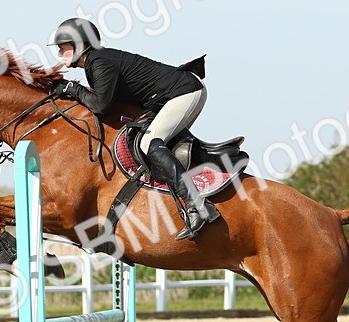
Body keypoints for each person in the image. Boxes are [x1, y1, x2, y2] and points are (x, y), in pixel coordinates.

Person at [47, 17, 220, 241]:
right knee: (150, 141)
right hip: (171, 96)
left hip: (185, 92)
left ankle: (198, 206)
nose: (61, 54)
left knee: (150, 143)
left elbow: (100, 105)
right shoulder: (95, 63)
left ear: (80, 45)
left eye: (64, 47)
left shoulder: (99, 62)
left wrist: (72, 89)